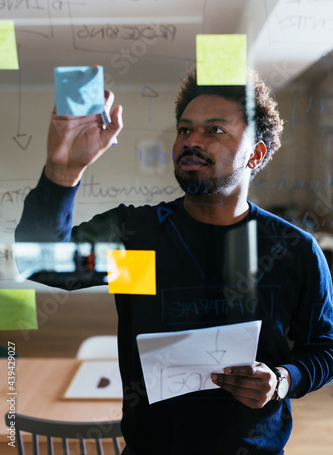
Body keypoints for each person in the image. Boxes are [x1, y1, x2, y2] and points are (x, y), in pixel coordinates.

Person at [15, 67, 333, 455]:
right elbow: (40, 261)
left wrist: (283, 379)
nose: (191, 141)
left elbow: (325, 346)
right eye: (185, 129)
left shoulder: (292, 250)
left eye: (214, 130)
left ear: (256, 153)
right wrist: (64, 168)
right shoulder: (140, 240)